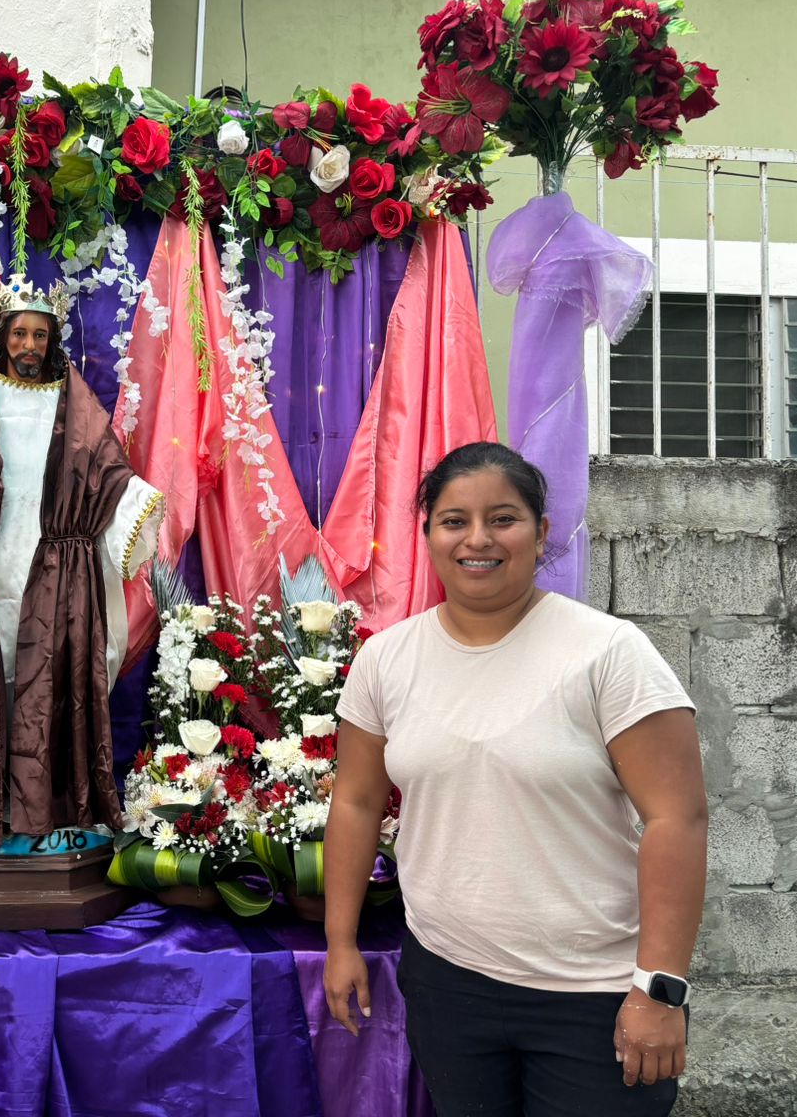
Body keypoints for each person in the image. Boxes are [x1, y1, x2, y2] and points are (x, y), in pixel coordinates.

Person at [323, 441, 707, 1116]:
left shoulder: (608, 653)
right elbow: (355, 802)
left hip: (593, 992)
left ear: (540, 532)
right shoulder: (387, 660)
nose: (478, 539)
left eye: (503, 519)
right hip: (448, 982)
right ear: (428, 534)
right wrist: (340, 943)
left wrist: (659, 988)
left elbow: (678, 818)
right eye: (454, 521)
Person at [0, 273, 164, 848]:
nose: (29, 347)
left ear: (52, 340)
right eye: (20, 334)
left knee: (48, 679)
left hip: (55, 565)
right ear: (3, 335)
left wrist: (137, 500)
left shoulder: (75, 399)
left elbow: (106, 469)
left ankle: (45, 808)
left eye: (40, 336)